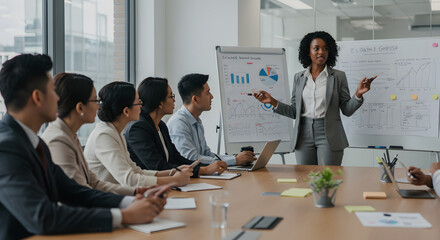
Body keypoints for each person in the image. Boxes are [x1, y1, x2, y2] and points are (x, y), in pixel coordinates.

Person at [0, 54, 167, 239]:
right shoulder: (6, 148)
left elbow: (75, 192)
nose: (58, 98)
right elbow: (42, 217)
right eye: (52, 91)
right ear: (37, 97)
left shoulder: (35, 142)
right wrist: (124, 215)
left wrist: (130, 201)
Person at [254, 31, 376, 166]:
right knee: (304, 180)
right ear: (308, 51)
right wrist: (272, 101)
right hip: (303, 135)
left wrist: (358, 94)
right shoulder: (299, 77)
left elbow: (347, 110)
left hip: (329, 134)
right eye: (316, 48)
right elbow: (294, 111)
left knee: (328, 180)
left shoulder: (338, 76)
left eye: (325, 48)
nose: (321, 52)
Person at [42, 73, 148, 196]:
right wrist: (127, 206)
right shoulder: (58, 140)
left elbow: (95, 184)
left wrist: (136, 192)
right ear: (80, 108)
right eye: (95, 100)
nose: (99, 106)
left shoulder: (70, 135)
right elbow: (79, 194)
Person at [84, 82, 192, 188]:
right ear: (126, 111)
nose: (141, 105)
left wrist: (172, 173)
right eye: (138, 102)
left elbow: (136, 171)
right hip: (105, 201)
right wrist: (173, 180)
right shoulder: (104, 135)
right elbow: (130, 179)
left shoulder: (116, 132)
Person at [125, 77, 227, 176]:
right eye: (171, 96)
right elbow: (157, 166)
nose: (174, 100)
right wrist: (203, 170)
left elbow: (176, 158)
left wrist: (206, 167)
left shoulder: (161, 125)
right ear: (160, 103)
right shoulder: (138, 128)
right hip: (147, 187)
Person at [167, 73, 256, 166]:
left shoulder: (196, 121)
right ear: (195, 99)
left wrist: (235, 158)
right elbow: (191, 158)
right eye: (208, 92)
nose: (212, 96)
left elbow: (207, 154)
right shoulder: (178, 123)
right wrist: (235, 160)